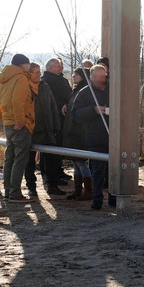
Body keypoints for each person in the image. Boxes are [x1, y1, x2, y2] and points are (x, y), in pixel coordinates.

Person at [0, 54, 35, 202]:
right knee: (20, 159)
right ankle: (15, 193)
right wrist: (20, 121)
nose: (30, 67)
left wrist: (3, 117)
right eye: (28, 64)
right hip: (20, 124)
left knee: (10, 158)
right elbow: (18, 100)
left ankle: (8, 191)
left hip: (9, 123)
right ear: (24, 65)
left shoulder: (4, 79)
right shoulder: (21, 78)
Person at [72, 65, 113, 210]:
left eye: (104, 76)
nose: (102, 80)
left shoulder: (113, 90)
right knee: (97, 170)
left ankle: (113, 199)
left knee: (113, 170)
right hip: (95, 136)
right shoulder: (85, 93)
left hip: (114, 137)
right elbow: (76, 114)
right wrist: (93, 110)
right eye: (98, 77)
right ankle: (97, 199)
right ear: (91, 77)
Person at [24, 62, 64, 197]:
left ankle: (52, 185)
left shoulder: (44, 86)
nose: (40, 74)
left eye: (40, 72)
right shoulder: (23, 87)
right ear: (29, 74)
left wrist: (56, 125)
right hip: (30, 130)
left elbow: (52, 106)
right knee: (29, 160)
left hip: (46, 129)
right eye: (37, 72)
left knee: (51, 159)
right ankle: (31, 186)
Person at [62, 67, 93, 200]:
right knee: (76, 162)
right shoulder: (78, 90)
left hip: (79, 131)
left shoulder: (85, 91)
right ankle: (78, 190)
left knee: (81, 162)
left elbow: (82, 112)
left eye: (76, 74)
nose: (73, 76)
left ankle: (87, 192)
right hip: (73, 130)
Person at [43, 57, 73, 182]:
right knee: (52, 147)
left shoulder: (61, 80)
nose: (60, 67)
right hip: (53, 118)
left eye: (61, 65)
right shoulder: (47, 81)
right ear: (50, 67)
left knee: (59, 144)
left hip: (62, 117)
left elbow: (68, 95)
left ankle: (58, 171)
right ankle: (51, 175)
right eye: (57, 66)